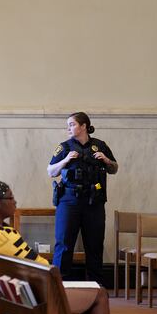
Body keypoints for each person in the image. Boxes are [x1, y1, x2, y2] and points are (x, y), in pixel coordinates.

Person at [0, 178, 109, 314]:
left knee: (87, 293)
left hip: (10, 295)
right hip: (31, 297)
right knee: (100, 294)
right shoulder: (5, 236)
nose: (15, 202)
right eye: (10, 197)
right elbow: (41, 267)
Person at [47, 112, 118, 285]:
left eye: (72, 124)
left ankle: (96, 287)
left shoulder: (99, 146)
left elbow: (114, 168)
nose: (68, 128)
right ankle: (59, 286)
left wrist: (106, 160)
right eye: (68, 125)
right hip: (69, 201)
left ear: (84, 126)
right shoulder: (64, 147)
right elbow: (51, 171)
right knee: (63, 244)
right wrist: (65, 160)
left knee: (94, 245)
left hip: (94, 201)